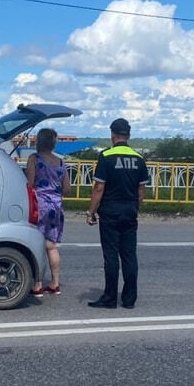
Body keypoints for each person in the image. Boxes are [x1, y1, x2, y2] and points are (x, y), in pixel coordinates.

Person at [86, 118, 150, 309]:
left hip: (111, 211)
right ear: (128, 136)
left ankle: (110, 298)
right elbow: (141, 192)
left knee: (111, 255)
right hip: (130, 211)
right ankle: (129, 299)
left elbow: (99, 187)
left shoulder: (106, 156)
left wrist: (91, 211)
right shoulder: (139, 158)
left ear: (113, 135)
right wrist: (133, 207)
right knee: (130, 255)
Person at [26, 127, 70, 297]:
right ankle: (55, 283)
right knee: (51, 246)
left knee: (37, 243)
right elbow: (67, 189)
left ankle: (37, 284)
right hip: (56, 206)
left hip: (39, 204)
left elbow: (29, 183)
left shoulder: (34, 159)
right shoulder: (61, 163)